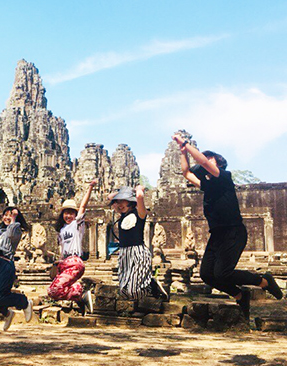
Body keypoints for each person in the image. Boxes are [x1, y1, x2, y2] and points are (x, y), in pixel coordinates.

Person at [172, 133, 283, 317]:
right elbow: (186, 173)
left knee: (222, 273)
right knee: (207, 274)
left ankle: (263, 281)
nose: (206, 160)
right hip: (217, 234)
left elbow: (205, 164)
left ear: (218, 163)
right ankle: (240, 295)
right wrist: (182, 152)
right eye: (204, 158)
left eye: (210, 158)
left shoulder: (224, 177)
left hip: (233, 232)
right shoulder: (206, 185)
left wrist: (186, 144)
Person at [108, 185, 167, 301]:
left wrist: (137, 190)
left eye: (124, 201)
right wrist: (122, 192)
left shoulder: (140, 214)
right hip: (124, 254)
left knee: (134, 292)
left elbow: (139, 196)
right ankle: (150, 283)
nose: (120, 205)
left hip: (138, 252)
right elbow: (109, 197)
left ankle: (151, 285)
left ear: (131, 202)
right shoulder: (122, 215)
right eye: (118, 202)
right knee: (123, 292)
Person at [48, 179, 97, 314]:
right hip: (65, 263)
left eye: (71, 213)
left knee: (54, 290)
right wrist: (59, 261)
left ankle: (81, 295)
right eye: (66, 213)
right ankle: (80, 298)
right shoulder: (62, 230)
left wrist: (90, 188)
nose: (68, 215)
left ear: (75, 215)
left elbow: (82, 206)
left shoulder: (77, 225)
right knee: (52, 292)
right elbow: (63, 249)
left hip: (75, 262)